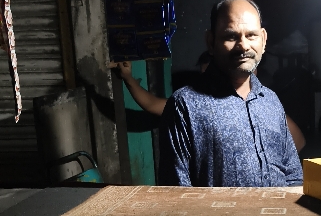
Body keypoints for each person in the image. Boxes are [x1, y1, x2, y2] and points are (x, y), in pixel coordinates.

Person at [158, 0, 303, 187]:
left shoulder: (270, 100)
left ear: (263, 39)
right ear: (211, 42)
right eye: (231, 36)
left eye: (251, 35)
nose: (243, 46)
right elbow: (177, 191)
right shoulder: (185, 105)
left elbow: (293, 175)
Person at [110, 17, 306, 153]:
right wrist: (128, 78)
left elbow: (298, 143)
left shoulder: (263, 105)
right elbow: (152, 104)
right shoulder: (193, 104)